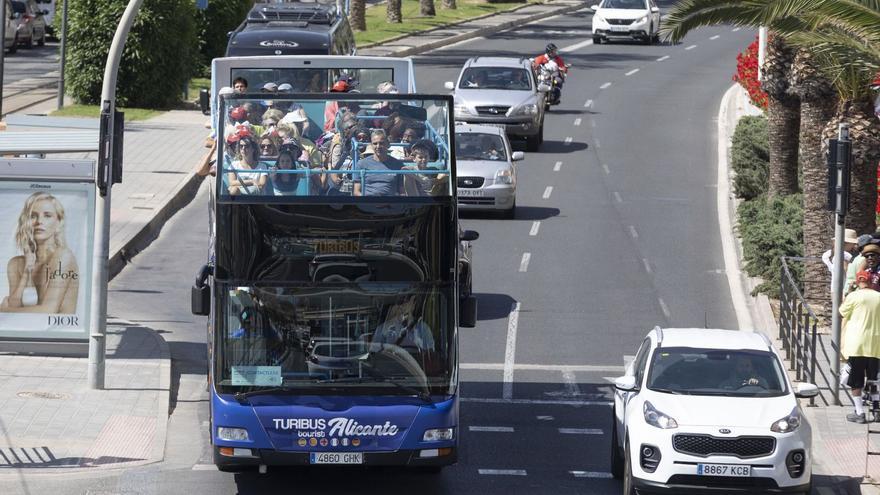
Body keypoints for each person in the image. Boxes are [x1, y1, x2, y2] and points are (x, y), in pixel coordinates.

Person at [0, 192, 79, 314]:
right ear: (26, 221)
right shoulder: (15, 264)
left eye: (47, 215)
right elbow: (14, 304)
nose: (39, 221)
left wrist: (5, 310)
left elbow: (48, 310)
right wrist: (26, 272)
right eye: (33, 216)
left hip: (59, 332)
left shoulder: (63, 257)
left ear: (58, 223)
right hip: (24, 330)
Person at [840, 270, 880, 423]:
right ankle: (876, 410)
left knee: (856, 381)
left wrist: (849, 292)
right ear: (870, 281)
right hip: (875, 344)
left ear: (858, 282)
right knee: (873, 380)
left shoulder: (853, 296)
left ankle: (859, 412)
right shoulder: (878, 296)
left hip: (857, 344)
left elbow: (841, 312)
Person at [371, 295, 435, 352]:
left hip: (414, 364)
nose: (402, 306)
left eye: (406, 301)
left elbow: (431, 354)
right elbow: (374, 354)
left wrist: (417, 342)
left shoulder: (422, 328)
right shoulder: (382, 328)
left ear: (413, 304)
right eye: (399, 302)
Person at [353, 130, 406, 197]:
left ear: (388, 144)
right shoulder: (361, 164)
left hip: (390, 204)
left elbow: (402, 192)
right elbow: (356, 192)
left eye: (381, 143)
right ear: (371, 145)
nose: (378, 146)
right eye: (375, 143)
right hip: (368, 203)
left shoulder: (398, 165)